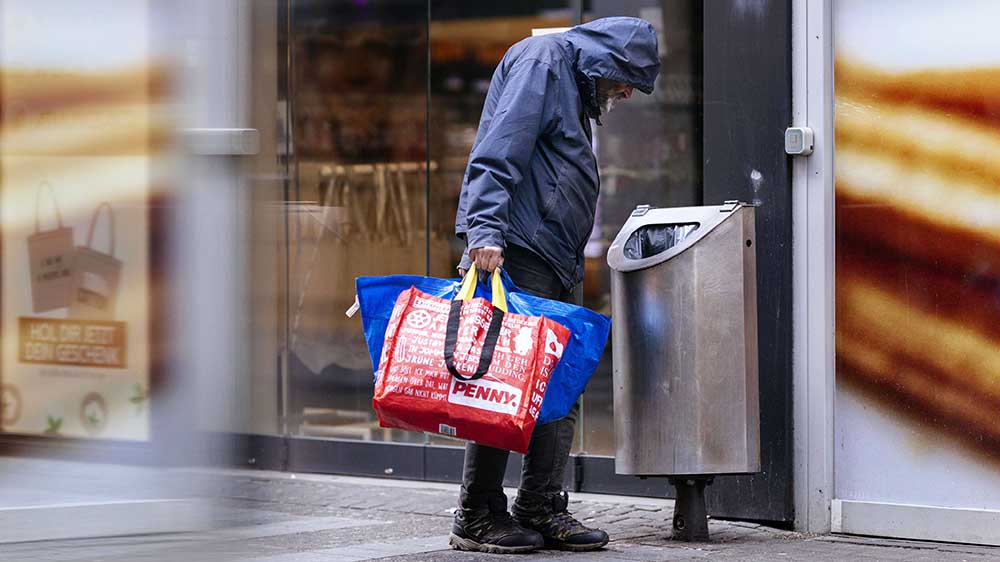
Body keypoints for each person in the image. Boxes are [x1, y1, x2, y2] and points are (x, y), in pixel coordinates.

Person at [449, 16, 660, 554]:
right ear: (607, 61)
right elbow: (499, 148)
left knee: (557, 385)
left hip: (554, 254)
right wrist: (485, 230)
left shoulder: (572, 79)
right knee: (503, 381)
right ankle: (477, 513)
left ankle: (541, 505)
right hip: (517, 248)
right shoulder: (544, 62)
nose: (627, 92)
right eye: (626, 78)